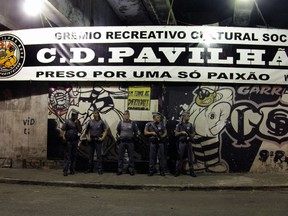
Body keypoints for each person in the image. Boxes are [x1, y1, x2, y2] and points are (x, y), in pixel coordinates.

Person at [116, 110, 140, 176]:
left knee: (131, 157)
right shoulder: (120, 122)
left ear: (129, 115)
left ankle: (131, 170)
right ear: (123, 116)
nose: (126, 116)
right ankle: (120, 170)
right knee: (120, 156)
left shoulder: (132, 123)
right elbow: (118, 130)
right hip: (122, 141)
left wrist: (133, 137)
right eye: (125, 115)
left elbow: (136, 131)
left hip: (130, 142)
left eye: (127, 114)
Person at [85, 108, 108, 175]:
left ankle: (100, 169)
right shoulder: (90, 122)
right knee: (90, 156)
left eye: (95, 113)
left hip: (98, 141)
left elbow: (106, 130)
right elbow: (86, 131)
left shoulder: (101, 122)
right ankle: (90, 169)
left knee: (99, 156)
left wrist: (102, 138)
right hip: (91, 140)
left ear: (98, 114)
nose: (94, 114)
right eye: (93, 113)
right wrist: (87, 137)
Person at [144, 112, 167, 176]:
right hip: (153, 142)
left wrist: (162, 137)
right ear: (154, 118)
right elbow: (145, 132)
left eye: (159, 117)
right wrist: (152, 133)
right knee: (152, 157)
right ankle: (151, 171)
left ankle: (162, 171)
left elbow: (165, 132)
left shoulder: (161, 124)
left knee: (161, 157)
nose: (159, 118)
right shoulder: (149, 124)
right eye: (158, 117)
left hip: (160, 143)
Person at [174, 111, 197, 177]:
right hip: (182, 142)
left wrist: (191, 136)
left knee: (190, 157)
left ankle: (191, 171)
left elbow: (193, 132)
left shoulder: (190, 124)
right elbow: (176, 134)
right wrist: (182, 132)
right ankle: (177, 171)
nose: (188, 117)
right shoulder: (179, 125)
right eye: (187, 116)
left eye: (189, 116)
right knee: (180, 157)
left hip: (188, 142)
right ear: (183, 116)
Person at [61, 109, 82, 176]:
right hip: (68, 141)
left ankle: (72, 170)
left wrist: (77, 124)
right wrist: (63, 137)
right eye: (76, 115)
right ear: (73, 115)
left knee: (74, 156)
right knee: (67, 156)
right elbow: (63, 129)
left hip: (75, 141)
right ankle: (65, 170)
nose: (77, 117)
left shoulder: (77, 122)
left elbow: (80, 130)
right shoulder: (67, 121)